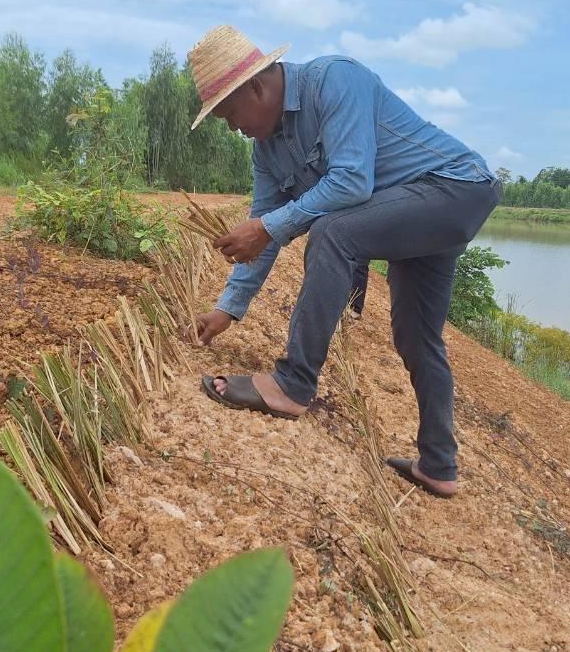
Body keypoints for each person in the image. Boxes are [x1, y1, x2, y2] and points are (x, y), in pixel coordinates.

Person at [189, 25, 500, 498]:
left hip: (456, 186)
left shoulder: (334, 80)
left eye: (231, 114)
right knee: (415, 333)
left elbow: (351, 182)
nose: (234, 127)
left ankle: (292, 384)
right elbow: (264, 230)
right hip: (413, 210)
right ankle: (439, 464)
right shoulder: (266, 152)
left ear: (256, 86)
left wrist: (268, 226)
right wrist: (227, 308)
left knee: (333, 231)